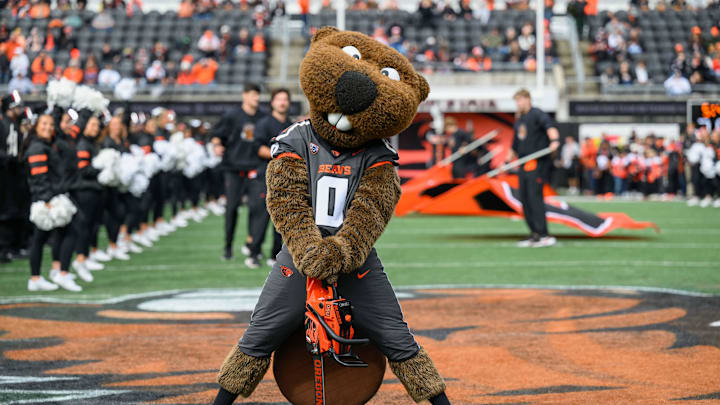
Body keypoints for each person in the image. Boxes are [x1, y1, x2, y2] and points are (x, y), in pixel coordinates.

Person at [25, 113, 83, 292]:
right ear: (36, 126)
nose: (48, 127)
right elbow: (39, 177)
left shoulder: (47, 145)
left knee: (41, 238)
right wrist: (48, 201)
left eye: (51, 124)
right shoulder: (37, 148)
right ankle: (58, 274)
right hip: (46, 200)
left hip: (50, 197)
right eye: (44, 123)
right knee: (65, 232)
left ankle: (42, 276)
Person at [211, 82, 265, 261]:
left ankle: (252, 243)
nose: (255, 98)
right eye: (252, 94)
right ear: (244, 96)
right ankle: (228, 246)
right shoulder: (232, 116)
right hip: (234, 169)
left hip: (255, 169)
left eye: (257, 94)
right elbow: (217, 134)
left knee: (256, 208)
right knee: (231, 208)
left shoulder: (263, 118)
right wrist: (217, 145)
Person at [244, 88, 292, 268]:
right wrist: (278, 154)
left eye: (285, 99)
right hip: (264, 177)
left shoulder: (290, 125)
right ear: (272, 102)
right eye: (279, 99)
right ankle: (254, 253)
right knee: (260, 218)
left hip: (285, 178)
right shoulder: (264, 124)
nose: (282, 102)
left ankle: (275, 254)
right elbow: (257, 148)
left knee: (281, 220)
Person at [507, 89, 559, 247]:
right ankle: (534, 234)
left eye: (520, 100)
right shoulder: (519, 120)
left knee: (535, 199)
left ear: (527, 99)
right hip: (523, 164)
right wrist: (506, 162)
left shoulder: (537, 114)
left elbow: (550, 128)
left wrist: (554, 140)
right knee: (525, 200)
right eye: (516, 101)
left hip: (536, 163)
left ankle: (544, 235)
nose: (518, 104)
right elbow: (515, 145)